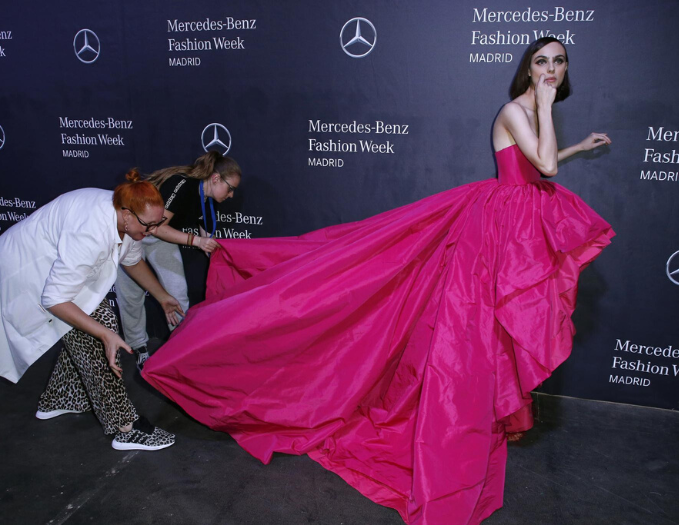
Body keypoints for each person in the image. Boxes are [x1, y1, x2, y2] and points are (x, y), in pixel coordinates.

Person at [143, 37, 614, 523]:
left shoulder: (535, 111)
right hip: (494, 230)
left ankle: (477, 412)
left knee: (492, 331)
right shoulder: (518, 108)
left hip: (510, 227)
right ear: (527, 68)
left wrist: (577, 143)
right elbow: (546, 165)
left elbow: (540, 162)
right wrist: (544, 102)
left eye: (558, 62)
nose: (551, 70)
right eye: (542, 62)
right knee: (463, 326)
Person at [0, 171, 181, 451]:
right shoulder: (91, 230)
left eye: (157, 223)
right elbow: (56, 298)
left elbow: (132, 261)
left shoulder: (133, 221)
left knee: (90, 327)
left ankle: (60, 398)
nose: (153, 230)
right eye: (149, 225)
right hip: (27, 273)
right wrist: (106, 335)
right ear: (126, 214)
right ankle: (126, 428)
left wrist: (163, 297)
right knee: (101, 329)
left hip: (59, 272)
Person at [115, 151, 242, 371]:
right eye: (230, 188)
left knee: (177, 294)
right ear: (215, 178)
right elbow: (156, 227)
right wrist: (197, 241)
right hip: (134, 235)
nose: (231, 195)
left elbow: (209, 240)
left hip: (159, 240)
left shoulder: (209, 202)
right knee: (131, 295)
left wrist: (230, 257)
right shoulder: (182, 183)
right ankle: (139, 348)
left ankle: (181, 348)